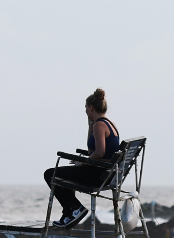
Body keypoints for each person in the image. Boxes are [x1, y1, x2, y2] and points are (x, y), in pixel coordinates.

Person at [44, 89, 121, 229]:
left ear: (91, 108)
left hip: (97, 174)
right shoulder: (109, 123)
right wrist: (89, 126)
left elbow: (99, 152)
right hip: (106, 173)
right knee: (64, 175)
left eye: (86, 108)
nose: (85, 111)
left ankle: (75, 209)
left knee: (50, 174)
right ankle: (70, 212)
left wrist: (83, 162)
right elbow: (93, 150)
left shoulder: (99, 125)